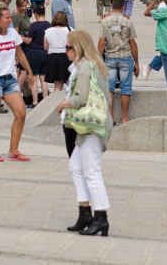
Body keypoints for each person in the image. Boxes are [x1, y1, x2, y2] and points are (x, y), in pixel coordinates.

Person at [58, 29, 112, 236]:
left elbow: (79, 98)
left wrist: (62, 104)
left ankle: (100, 217)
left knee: (91, 172)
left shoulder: (85, 67)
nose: (66, 51)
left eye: (69, 47)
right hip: (91, 126)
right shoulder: (94, 65)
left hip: (90, 127)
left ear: (78, 48)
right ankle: (85, 213)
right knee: (75, 167)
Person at [0, 4, 37, 161]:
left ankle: (13, 149)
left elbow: (21, 54)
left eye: (10, 17)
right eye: (7, 18)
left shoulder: (12, 33)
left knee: (21, 113)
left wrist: (30, 72)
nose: (10, 20)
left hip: (10, 79)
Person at [98, 0, 138, 124]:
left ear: (111, 5)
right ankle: (125, 117)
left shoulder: (104, 22)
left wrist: (99, 60)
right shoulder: (128, 22)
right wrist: (136, 62)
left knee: (109, 88)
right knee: (126, 88)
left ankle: (110, 116)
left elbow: (101, 43)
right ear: (123, 7)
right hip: (125, 57)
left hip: (110, 58)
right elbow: (133, 44)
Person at [25, 4, 51, 104]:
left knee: (34, 79)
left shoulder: (34, 25)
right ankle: (44, 101)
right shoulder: (48, 24)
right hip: (45, 53)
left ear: (35, 14)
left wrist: (23, 37)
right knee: (43, 79)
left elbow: (28, 41)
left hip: (34, 53)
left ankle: (35, 101)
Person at [45, 11, 73, 93]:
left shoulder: (48, 31)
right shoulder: (70, 30)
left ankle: (55, 104)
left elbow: (46, 47)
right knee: (70, 83)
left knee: (57, 87)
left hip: (53, 58)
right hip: (67, 57)